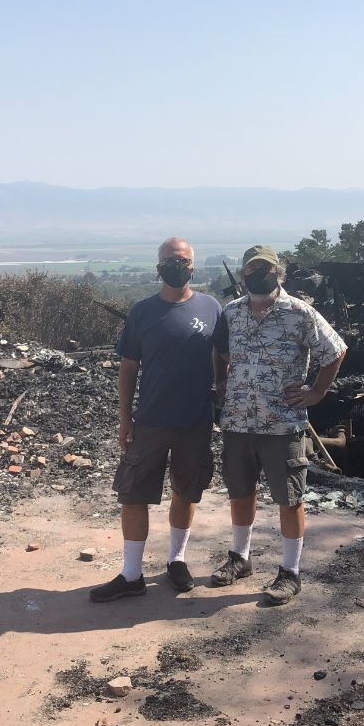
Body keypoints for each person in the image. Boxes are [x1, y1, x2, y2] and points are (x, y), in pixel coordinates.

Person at [211, 245, 346, 605]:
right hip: (238, 422)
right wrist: (223, 381)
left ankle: (290, 573)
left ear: (278, 274)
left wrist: (316, 391)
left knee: (289, 498)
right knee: (240, 493)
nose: (260, 275)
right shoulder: (232, 313)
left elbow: (335, 351)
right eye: (253, 270)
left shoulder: (299, 313)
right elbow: (220, 351)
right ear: (243, 276)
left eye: (267, 269)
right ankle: (240, 558)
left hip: (282, 424)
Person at [89, 237, 222, 602]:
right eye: (168, 260)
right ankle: (131, 574)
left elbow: (222, 360)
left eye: (181, 260)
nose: (175, 265)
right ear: (158, 266)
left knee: (186, 490)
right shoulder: (142, 312)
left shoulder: (212, 308)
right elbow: (128, 367)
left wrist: (222, 400)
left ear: (192, 266)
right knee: (133, 494)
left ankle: (176, 561)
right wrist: (124, 417)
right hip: (149, 421)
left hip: (195, 421)